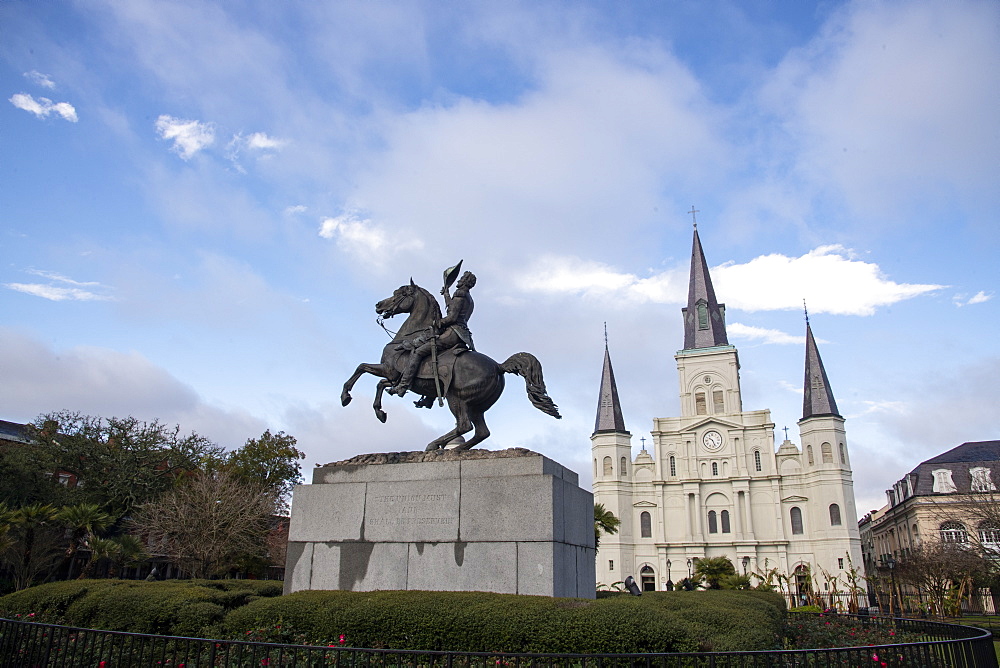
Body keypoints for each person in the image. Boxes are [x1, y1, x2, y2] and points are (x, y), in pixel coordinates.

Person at [391, 271, 476, 397]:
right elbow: (453, 308)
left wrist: (438, 322)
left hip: (452, 333)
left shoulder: (460, 294)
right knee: (435, 355)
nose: (459, 280)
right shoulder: (469, 299)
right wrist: (446, 294)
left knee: (419, 351)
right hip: (463, 335)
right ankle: (428, 396)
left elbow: (452, 317)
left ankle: (403, 386)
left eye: (462, 278)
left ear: (465, 281)